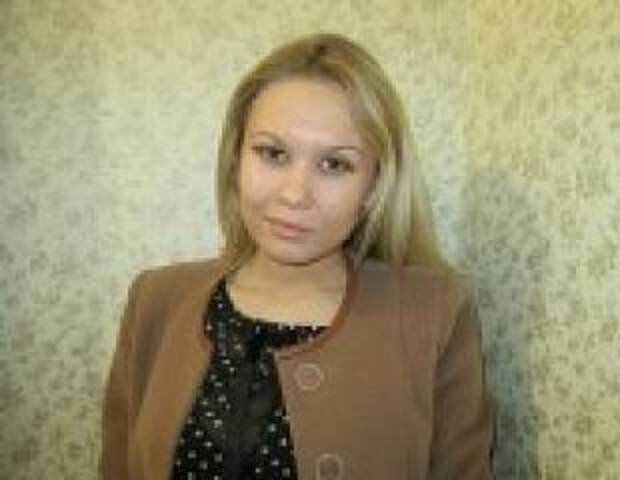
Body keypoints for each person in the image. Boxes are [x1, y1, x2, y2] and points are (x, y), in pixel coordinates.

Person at [100, 33, 493, 480]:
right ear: (236, 160)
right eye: (273, 154)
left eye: (334, 164)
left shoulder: (435, 313)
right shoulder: (155, 301)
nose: (294, 194)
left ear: (375, 185)